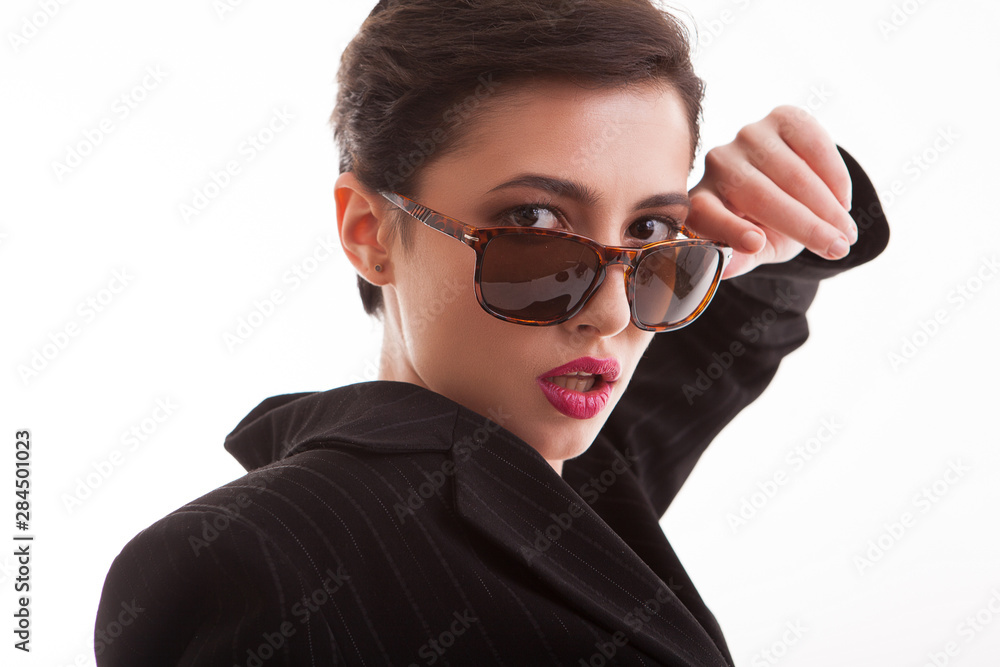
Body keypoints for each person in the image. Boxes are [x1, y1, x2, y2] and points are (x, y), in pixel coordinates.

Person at [94, 0, 889, 664]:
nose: (611, 312)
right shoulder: (253, 560)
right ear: (369, 230)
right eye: (534, 223)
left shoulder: (569, 484)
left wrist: (782, 201)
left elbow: (739, 328)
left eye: (651, 229)